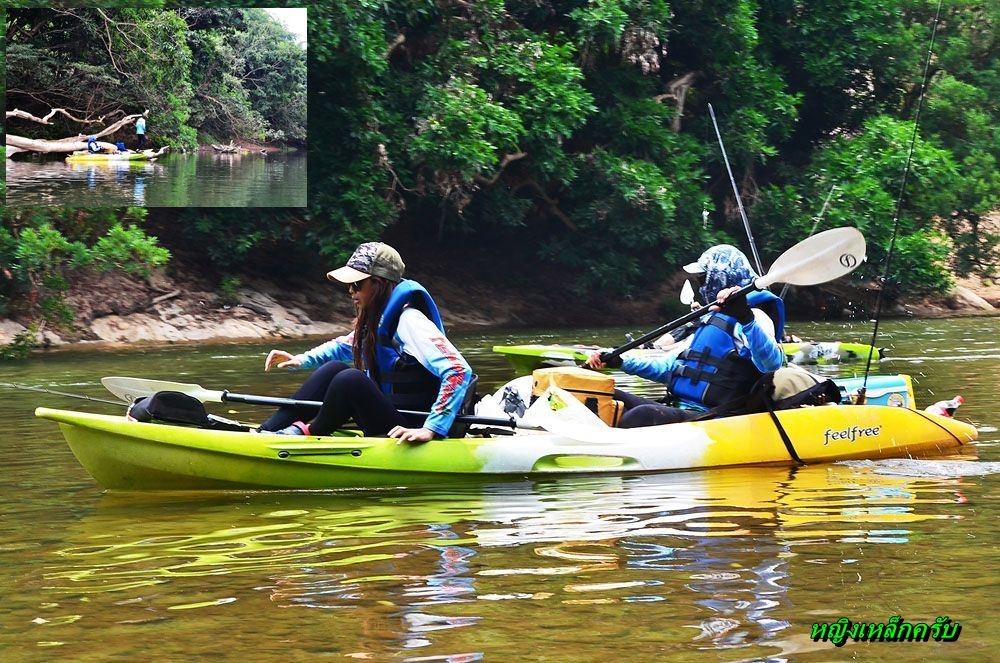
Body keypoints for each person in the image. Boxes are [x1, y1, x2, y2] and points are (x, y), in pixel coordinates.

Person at [260, 242, 475, 443]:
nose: (351, 291)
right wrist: (300, 360)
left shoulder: (410, 320)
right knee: (333, 369)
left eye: (357, 284)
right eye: (350, 286)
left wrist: (431, 428)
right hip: (389, 415)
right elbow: (343, 347)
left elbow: (458, 370)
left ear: (379, 284)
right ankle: (266, 431)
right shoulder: (379, 318)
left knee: (349, 379)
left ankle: (309, 433)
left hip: (408, 428)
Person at [586, 245, 785, 427]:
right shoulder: (710, 319)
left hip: (715, 417)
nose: (701, 286)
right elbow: (668, 368)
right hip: (681, 408)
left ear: (720, 277)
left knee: (643, 415)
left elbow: (771, 364)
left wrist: (746, 318)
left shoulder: (754, 317)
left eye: (702, 278)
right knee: (603, 395)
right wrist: (620, 361)